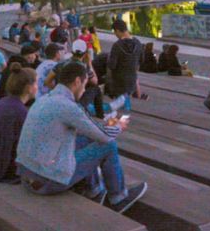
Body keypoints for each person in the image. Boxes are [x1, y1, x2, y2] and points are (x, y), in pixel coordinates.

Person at [16, 61, 147, 213]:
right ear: (77, 81)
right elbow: (104, 137)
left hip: (28, 177)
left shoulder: (45, 99)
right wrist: (118, 126)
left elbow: (90, 130)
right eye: (84, 84)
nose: (84, 89)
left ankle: (94, 189)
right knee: (108, 146)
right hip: (47, 182)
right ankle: (119, 198)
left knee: (85, 139)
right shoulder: (68, 106)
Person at [0, 62, 37, 183]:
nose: (38, 86)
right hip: (1, 171)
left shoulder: (4, 102)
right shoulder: (19, 111)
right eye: (36, 83)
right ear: (28, 87)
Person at [106, 20, 141, 99]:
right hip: (132, 81)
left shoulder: (117, 45)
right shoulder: (138, 43)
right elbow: (140, 62)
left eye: (115, 32)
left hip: (119, 84)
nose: (115, 34)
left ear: (118, 30)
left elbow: (112, 66)